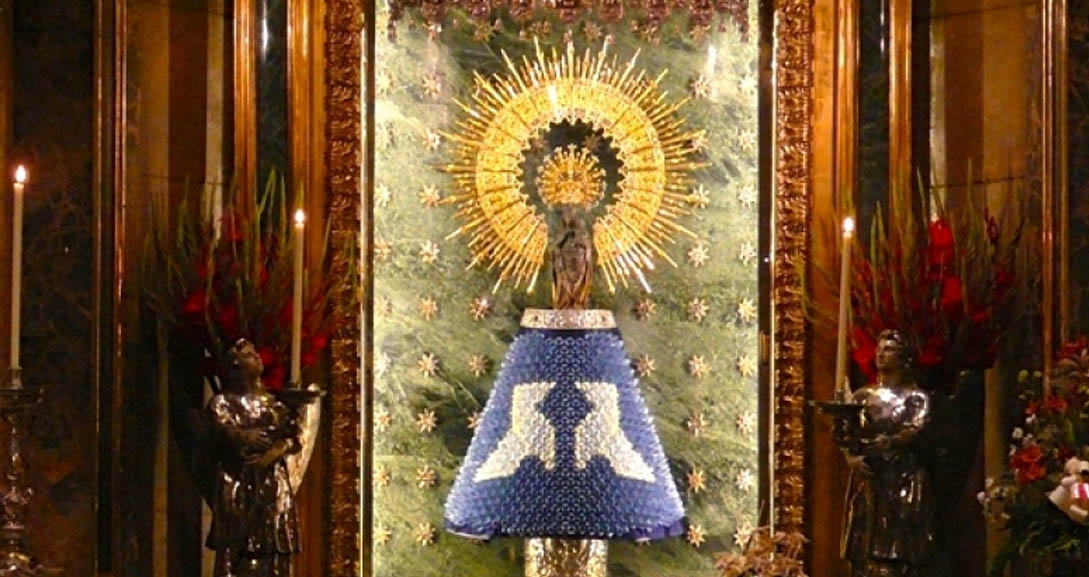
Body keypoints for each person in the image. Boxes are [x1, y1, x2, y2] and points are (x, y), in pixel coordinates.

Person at [835, 330, 938, 577]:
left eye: (889, 349)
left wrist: (891, 442)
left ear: (903, 358)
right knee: (865, 549)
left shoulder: (916, 398)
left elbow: (918, 429)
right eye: (879, 349)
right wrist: (851, 459)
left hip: (904, 478)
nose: (881, 354)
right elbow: (845, 433)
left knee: (902, 550)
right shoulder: (862, 397)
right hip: (870, 478)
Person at [206, 338, 301, 577]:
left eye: (255, 352)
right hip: (237, 482)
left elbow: (294, 438)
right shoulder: (223, 403)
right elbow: (221, 430)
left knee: (276, 551)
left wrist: (277, 450)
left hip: (272, 484)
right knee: (232, 550)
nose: (257, 357)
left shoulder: (274, 404)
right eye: (248, 355)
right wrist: (246, 437)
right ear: (235, 366)